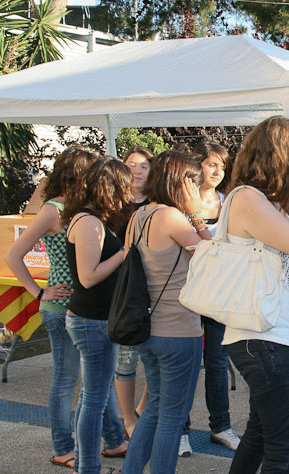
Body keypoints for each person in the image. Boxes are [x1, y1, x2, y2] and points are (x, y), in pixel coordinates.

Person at [222, 115, 289, 474]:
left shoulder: (259, 201)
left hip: (265, 337)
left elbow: (274, 268)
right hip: (264, 340)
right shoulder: (248, 199)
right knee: (284, 453)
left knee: (261, 435)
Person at [5, 146, 99, 470]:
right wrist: (39, 292)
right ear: (77, 174)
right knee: (65, 379)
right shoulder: (53, 209)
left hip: (85, 306)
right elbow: (13, 255)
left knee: (91, 381)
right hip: (60, 307)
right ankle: (63, 448)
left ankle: (101, 440)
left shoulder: (81, 208)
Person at [121, 150, 212, 474]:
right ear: (181, 184)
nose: (196, 190)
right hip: (178, 331)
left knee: (155, 409)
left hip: (149, 329)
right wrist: (197, 216)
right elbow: (214, 259)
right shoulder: (172, 218)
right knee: (172, 416)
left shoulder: (139, 216)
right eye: (193, 184)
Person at [63, 156, 134, 474]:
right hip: (92, 321)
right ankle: (88, 467)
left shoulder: (91, 220)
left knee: (92, 398)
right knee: (94, 400)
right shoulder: (88, 222)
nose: (126, 197)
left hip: (94, 319)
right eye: (123, 189)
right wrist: (123, 252)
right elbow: (89, 277)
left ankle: (86, 463)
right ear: (110, 188)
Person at [179, 140, 239, 457]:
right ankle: (180, 430)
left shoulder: (227, 202)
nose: (218, 171)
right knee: (187, 363)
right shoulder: (180, 204)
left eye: (222, 166)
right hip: (186, 293)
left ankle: (221, 426)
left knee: (217, 362)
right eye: (212, 164)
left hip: (218, 293)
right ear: (197, 164)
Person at [115, 146, 154, 439]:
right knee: (126, 358)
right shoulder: (113, 204)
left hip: (153, 289)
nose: (137, 171)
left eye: (143, 166)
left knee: (156, 358)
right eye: (131, 164)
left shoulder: (159, 205)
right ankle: (129, 419)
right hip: (122, 290)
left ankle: (141, 409)